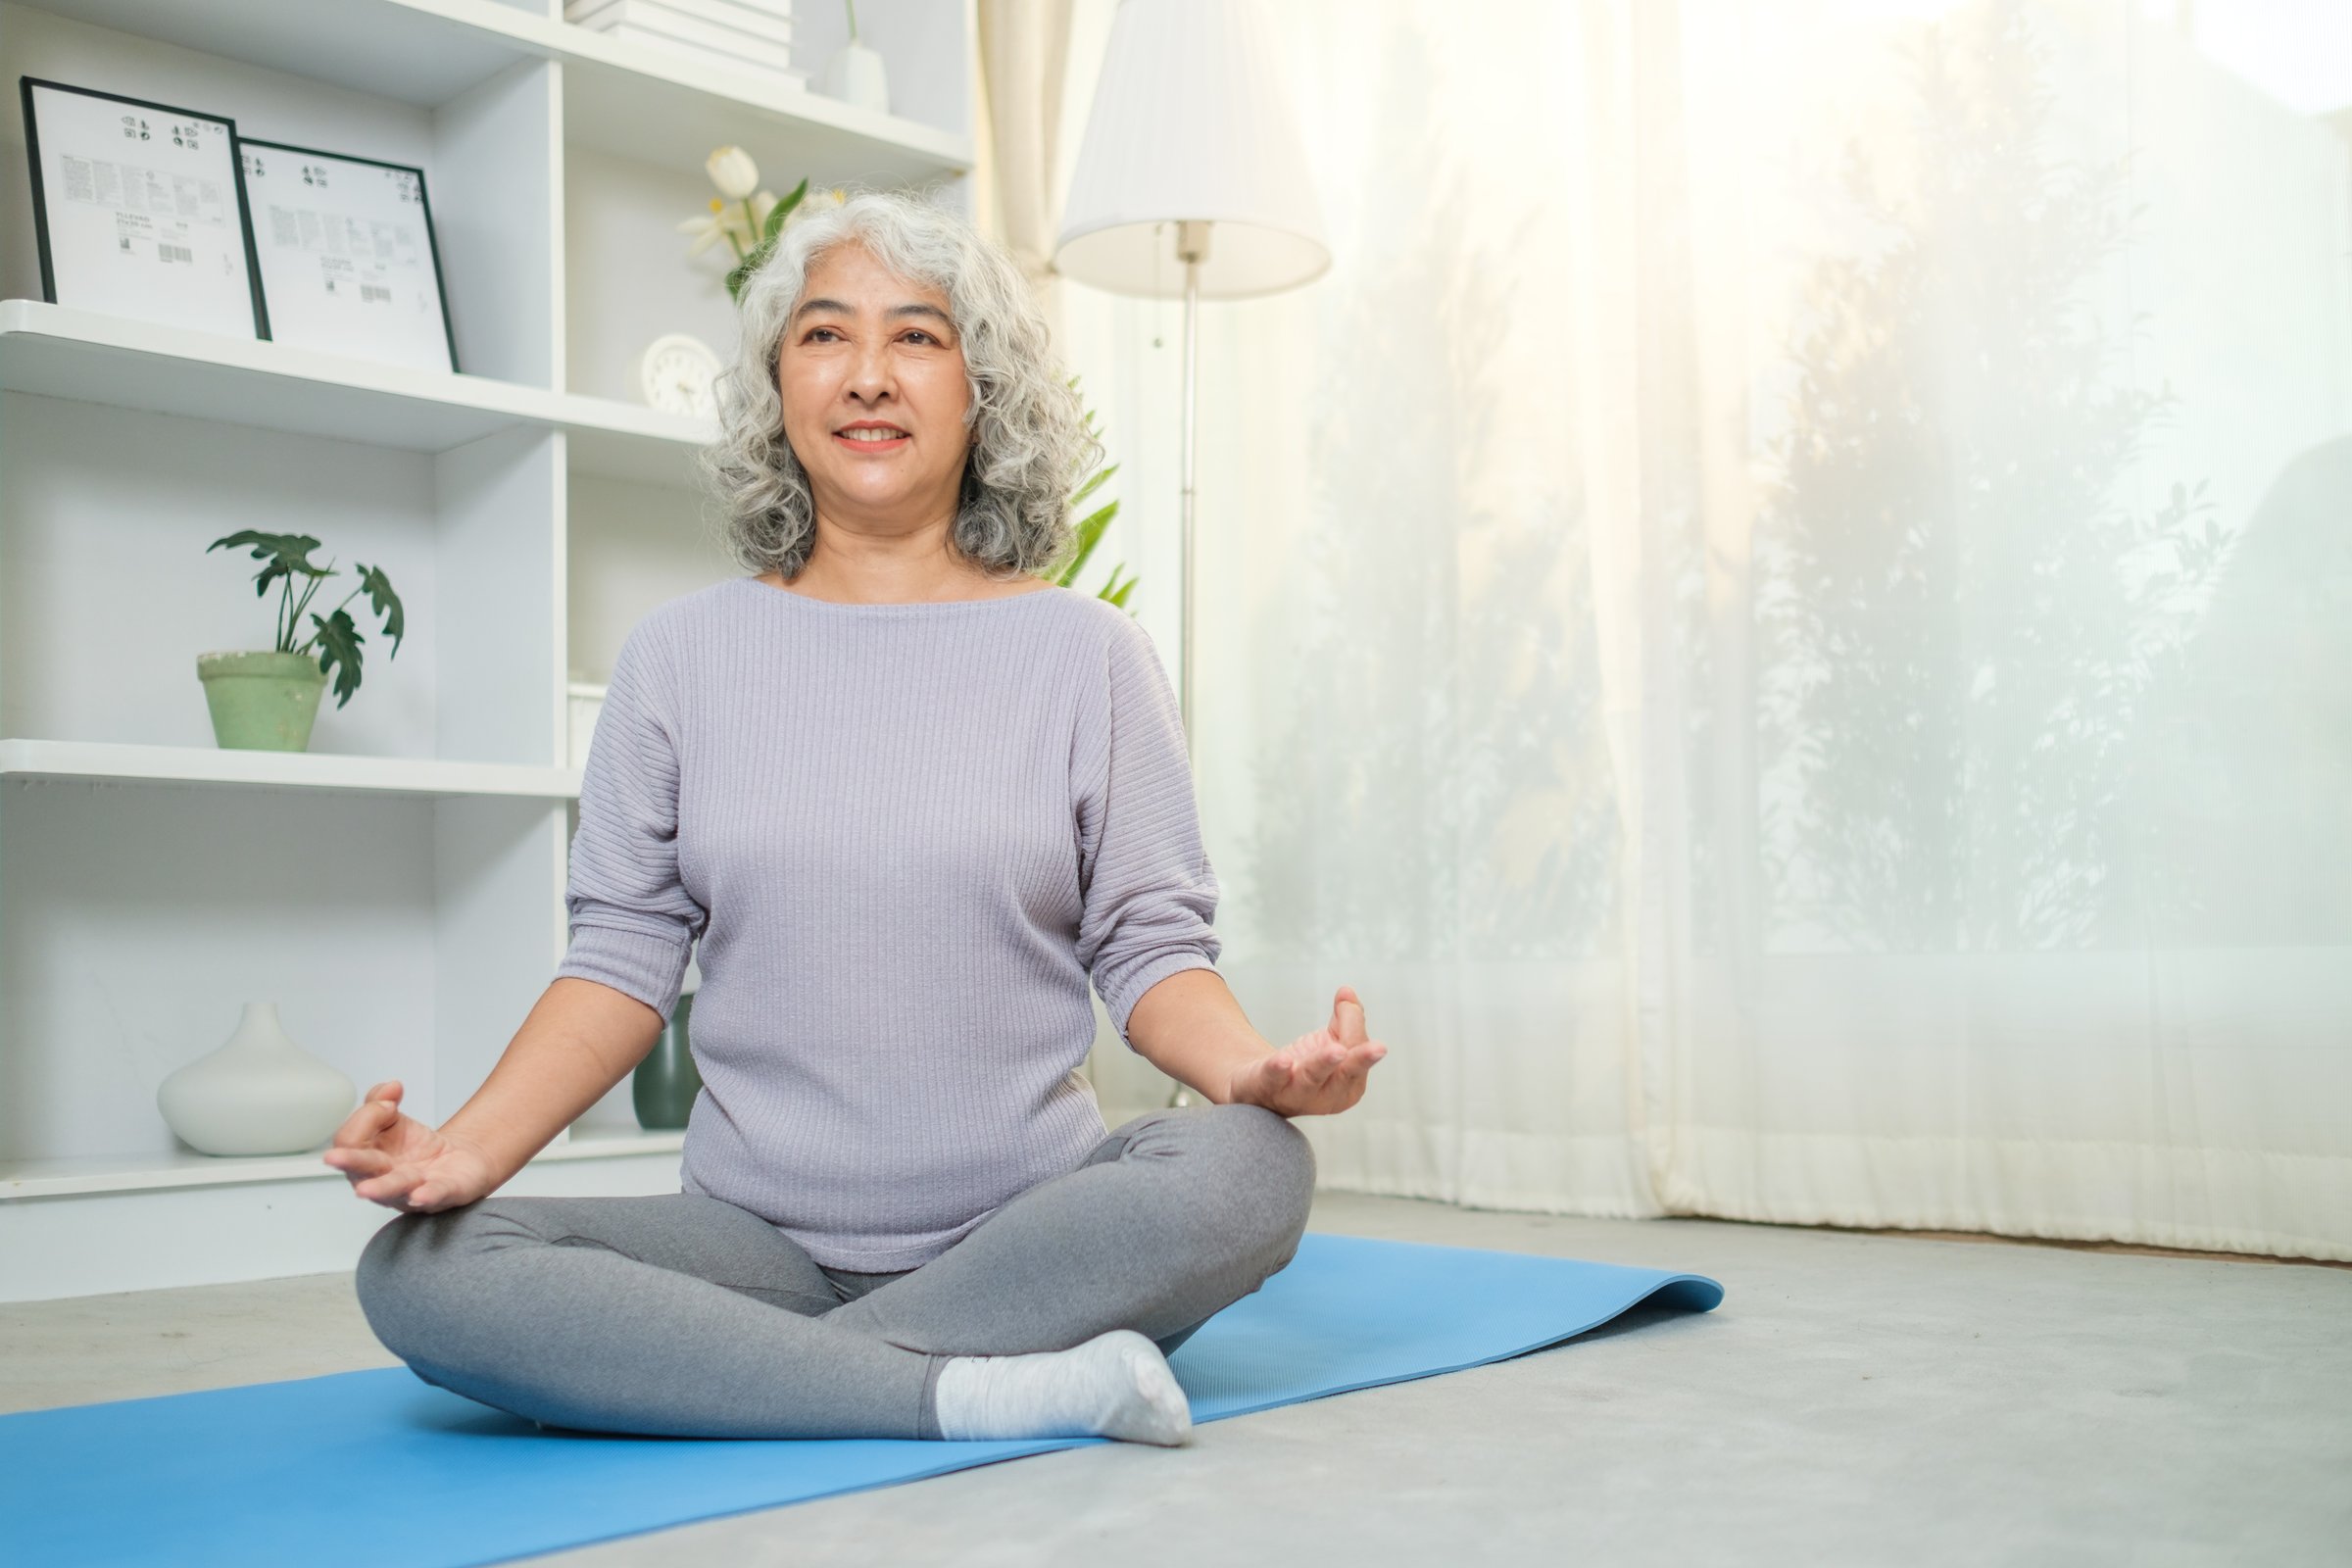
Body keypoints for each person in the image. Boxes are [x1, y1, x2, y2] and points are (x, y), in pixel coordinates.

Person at [331, 189, 1387, 1447]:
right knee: (419, 1268)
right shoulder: (677, 659)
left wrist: (1253, 1071)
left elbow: (1152, 945)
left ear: (981, 387)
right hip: (752, 1243)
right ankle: (974, 1384)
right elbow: (619, 959)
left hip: (1031, 1233)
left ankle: (737, 1378)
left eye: (920, 338)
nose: (869, 376)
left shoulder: (1086, 654)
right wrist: (465, 1152)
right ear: (778, 386)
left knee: (1254, 1164)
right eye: (826, 336)